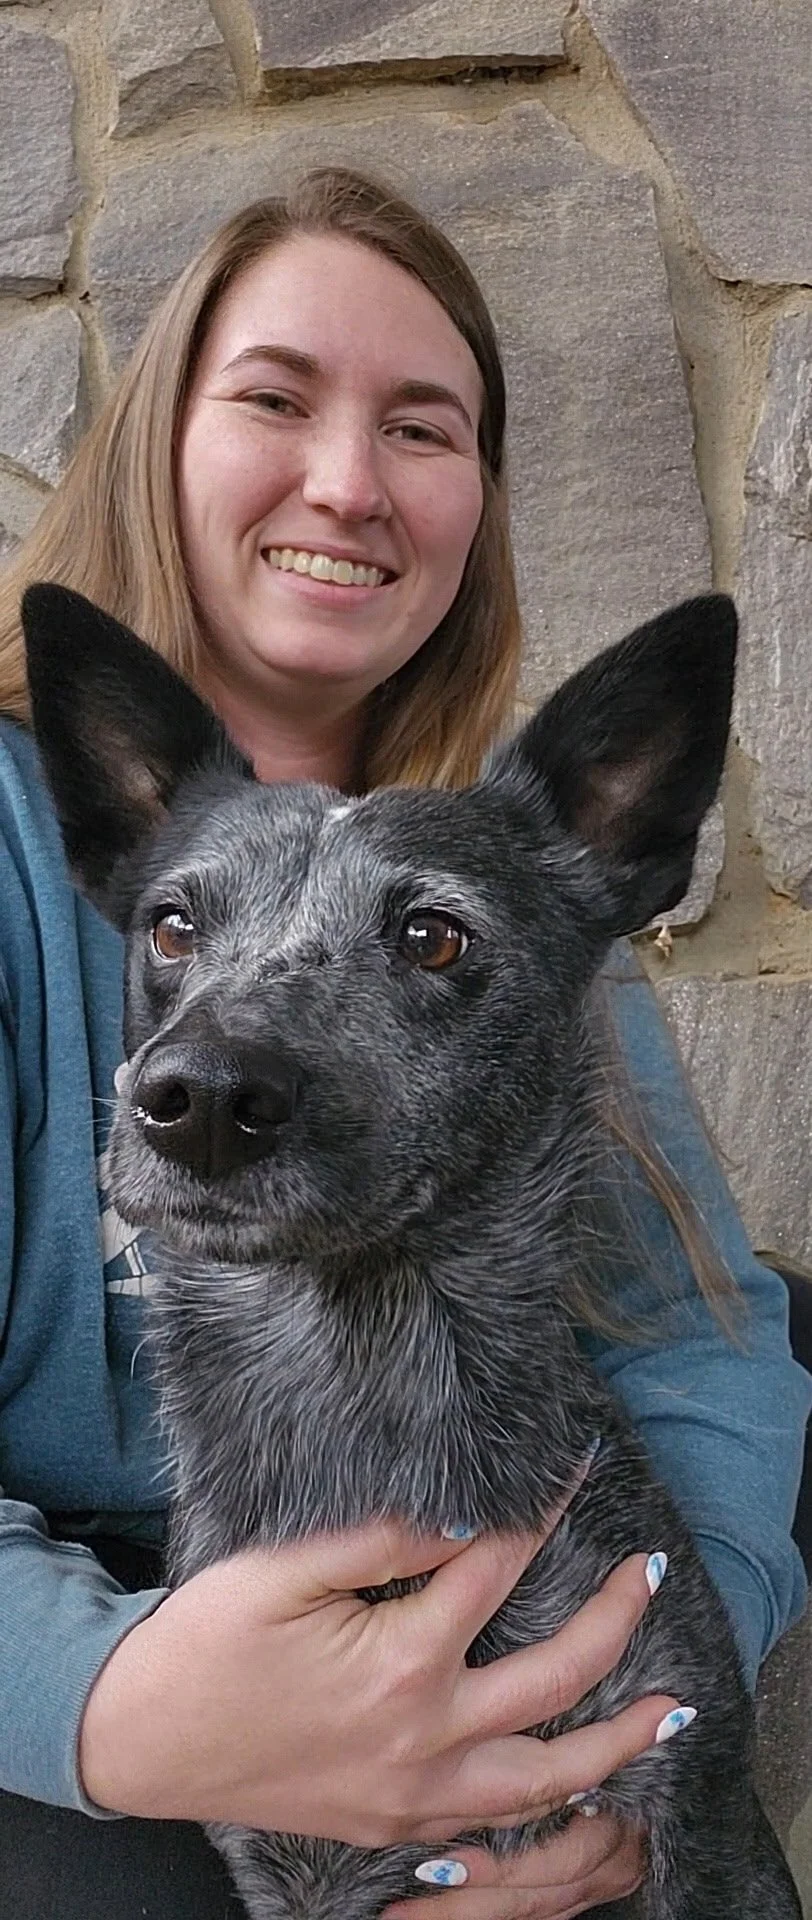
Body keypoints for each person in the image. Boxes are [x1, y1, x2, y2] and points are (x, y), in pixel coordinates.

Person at [0, 167, 808, 1920]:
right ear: (162, 439)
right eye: (277, 397)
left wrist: (643, 1709)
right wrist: (114, 1705)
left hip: (504, 1611)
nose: (349, 483)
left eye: (422, 428)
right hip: (87, 1642)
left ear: (478, 505)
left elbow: (712, 1335)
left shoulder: (517, 873)